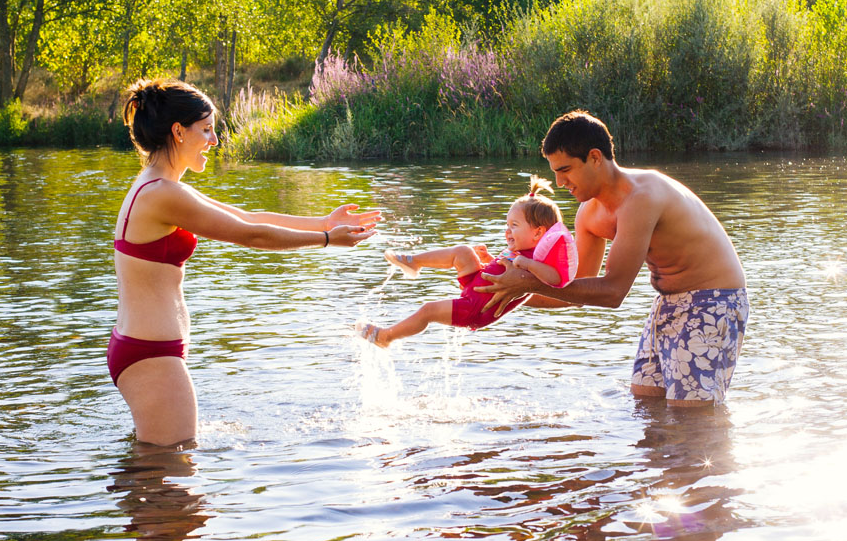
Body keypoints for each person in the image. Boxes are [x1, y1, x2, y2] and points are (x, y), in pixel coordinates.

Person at [108, 78, 380, 446]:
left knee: (164, 474)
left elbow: (248, 217)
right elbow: (250, 236)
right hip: (151, 354)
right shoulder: (161, 194)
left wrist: (323, 222)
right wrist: (328, 240)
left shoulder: (162, 187)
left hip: (148, 348)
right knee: (172, 479)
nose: (215, 141)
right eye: (206, 130)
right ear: (178, 131)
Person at [476, 110, 748, 408]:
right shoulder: (589, 214)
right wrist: (499, 291)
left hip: (714, 302)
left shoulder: (642, 197)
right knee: (647, 405)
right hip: (666, 304)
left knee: (691, 418)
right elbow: (574, 290)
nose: (559, 181)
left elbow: (613, 292)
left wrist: (525, 283)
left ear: (594, 157)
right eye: (554, 171)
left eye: (565, 169)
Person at [357, 177, 576, 347]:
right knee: (463, 252)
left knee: (428, 310)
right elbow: (502, 273)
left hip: (476, 309)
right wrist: (488, 260)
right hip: (477, 285)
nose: (507, 231)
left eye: (514, 226)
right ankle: (414, 262)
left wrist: (527, 265)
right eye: (507, 225)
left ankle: (386, 336)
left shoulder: (533, 261)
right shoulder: (518, 252)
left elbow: (555, 278)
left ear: (538, 234)